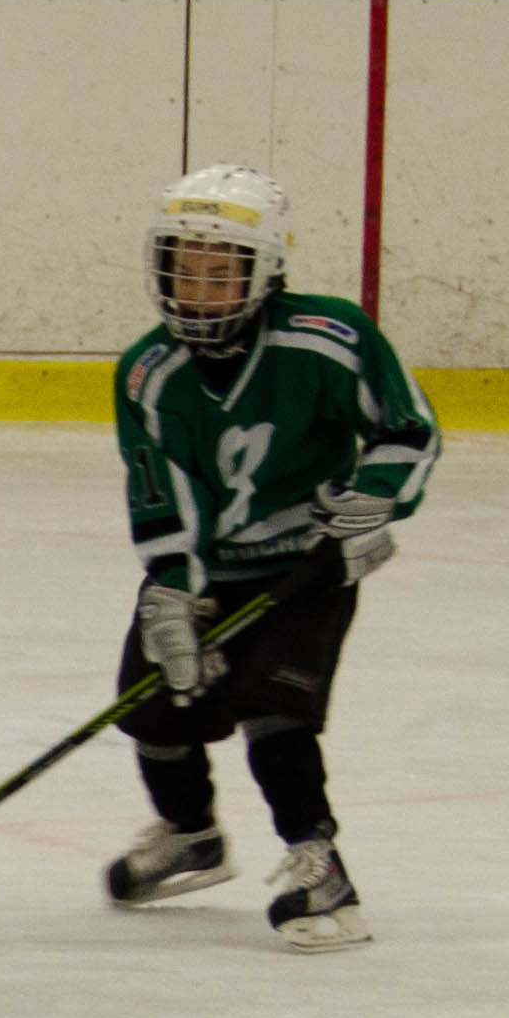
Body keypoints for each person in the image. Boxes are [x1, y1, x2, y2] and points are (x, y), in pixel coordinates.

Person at [102, 163, 440, 950]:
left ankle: (319, 865)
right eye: (184, 269)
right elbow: (160, 492)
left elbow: (405, 429)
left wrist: (372, 502)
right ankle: (191, 834)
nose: (197, 290)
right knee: (151, 706)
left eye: (219, 273)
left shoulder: (329, 336)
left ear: (263, 273)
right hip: (206, 569)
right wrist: (174, 591)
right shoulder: (148, 371)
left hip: (305, 566)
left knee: (274, 710)